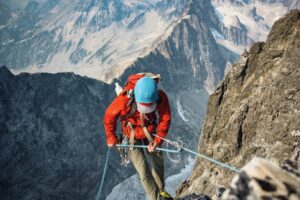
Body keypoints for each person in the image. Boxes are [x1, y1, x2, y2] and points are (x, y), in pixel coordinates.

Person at [103, 74, 173, 200]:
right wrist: (111, 137)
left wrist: (157, 141)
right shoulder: (125, 99)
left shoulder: (159, 96)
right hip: (131, 135)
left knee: (157, 162)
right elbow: (109, 116)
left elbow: (165, 118)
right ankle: (156, 198)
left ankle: (161, 191)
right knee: (143, 170)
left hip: (149, 131)